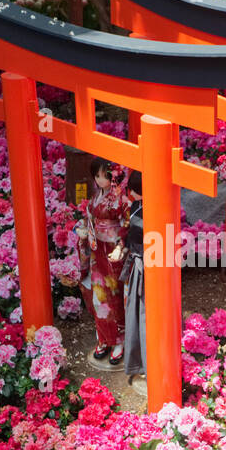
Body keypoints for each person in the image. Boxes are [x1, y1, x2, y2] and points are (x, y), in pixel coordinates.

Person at [78, 158, 138, 368]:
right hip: (97, 252)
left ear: (113, 176)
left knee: (115, 297)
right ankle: (103, 338)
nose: (99, 179)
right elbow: (89, 219)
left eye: (103, 175)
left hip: (113, 252)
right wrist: (85, 232)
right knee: (99, 296)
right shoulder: (96, 198)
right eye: (97, 175)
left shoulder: (121, 200)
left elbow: (128, 223)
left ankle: (119, 341)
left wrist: (121, 246)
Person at [122, 171, 146, 392]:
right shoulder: (137, 207)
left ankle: (147, 365)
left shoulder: (144, 210)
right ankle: (142, 363)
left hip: (147, 266)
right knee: (139, 315)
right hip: (142, 264)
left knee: (143, 316)